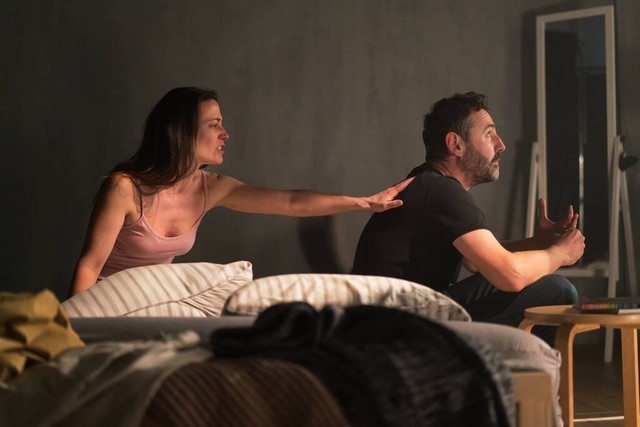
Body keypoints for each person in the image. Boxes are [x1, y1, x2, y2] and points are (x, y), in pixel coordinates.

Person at [69, 87, 412, 296]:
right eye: (214, 124)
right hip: (107, 298)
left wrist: (362, 202)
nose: (225, 134)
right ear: (182, 132)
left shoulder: (213, 188)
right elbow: (89, 266)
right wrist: (74, 335)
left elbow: (291, 202)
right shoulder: (124, 188)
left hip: (153, 297)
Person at [352, 92, 585, 345]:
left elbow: (477, 261)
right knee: (557, 291)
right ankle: (525, 370)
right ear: (456, 144)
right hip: (400, 330)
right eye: (489, 134)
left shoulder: (428, 183)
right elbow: (510, 275)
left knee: (526, 278)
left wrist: (537, 244)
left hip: (392, 321)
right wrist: (560, 253)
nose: (501, 145)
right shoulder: (442, 192)